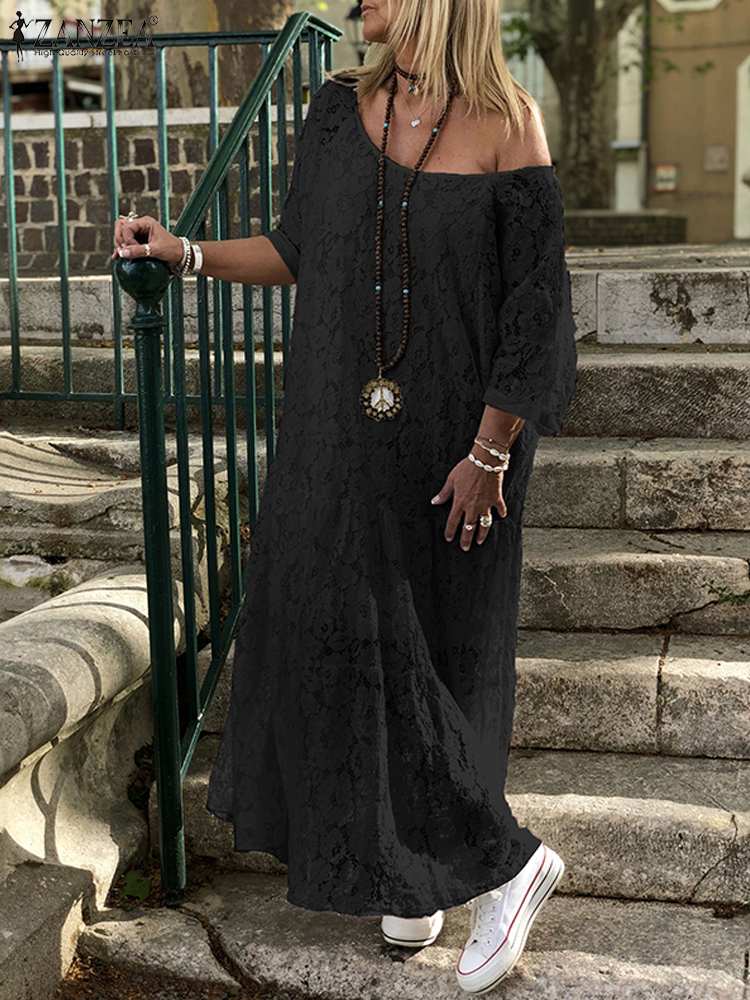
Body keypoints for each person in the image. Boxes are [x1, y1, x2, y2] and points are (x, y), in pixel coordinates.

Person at [112, 0, 578, 991]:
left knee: (442, 655)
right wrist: (185, 253)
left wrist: (490, 452)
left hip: (460, 445)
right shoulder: (334, 111)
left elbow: (536, 312)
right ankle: (413, 867)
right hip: (335, 431)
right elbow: (298, 249)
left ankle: (499, 868)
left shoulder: (510, 123)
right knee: (338, 639)